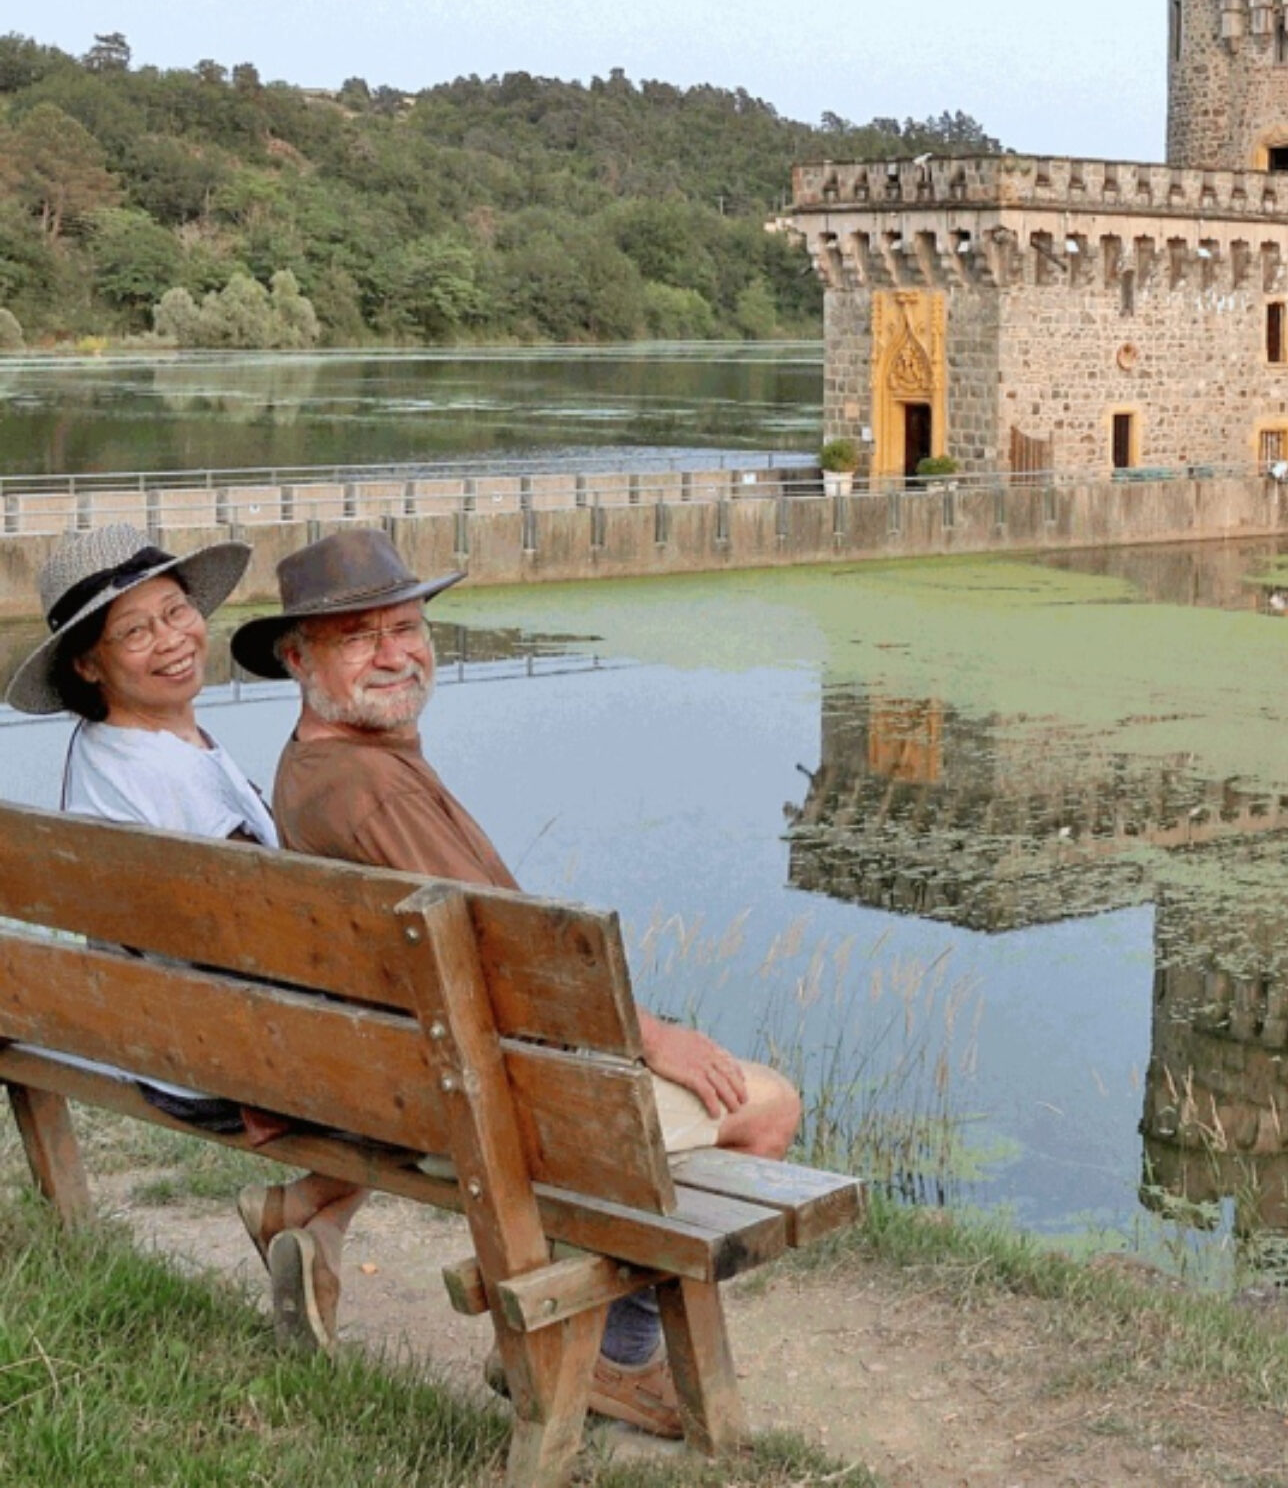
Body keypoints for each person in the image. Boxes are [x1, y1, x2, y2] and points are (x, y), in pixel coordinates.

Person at [231, 527, 801, 1438]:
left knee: (689, 1099)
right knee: (764, 1105)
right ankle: (613, 1357)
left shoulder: (320, 767)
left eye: (407, 627)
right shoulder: (375, 793)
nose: (395, 653)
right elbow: (524, 976)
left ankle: (318, 1211)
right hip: (471, 1102)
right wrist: (656, 1038)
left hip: (415, 1075)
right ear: (298, 657)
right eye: (358, 637)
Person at [3, 524, 369, 1352]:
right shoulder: (157, 772)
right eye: (136, 630)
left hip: (160, 1030)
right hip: (212, 1058)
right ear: (89, 665)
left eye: (175, 611)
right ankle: (303, 1209)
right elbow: (269, 928)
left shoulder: (121, 748)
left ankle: (310, 1223)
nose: (172, 639)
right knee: (442, 1061)